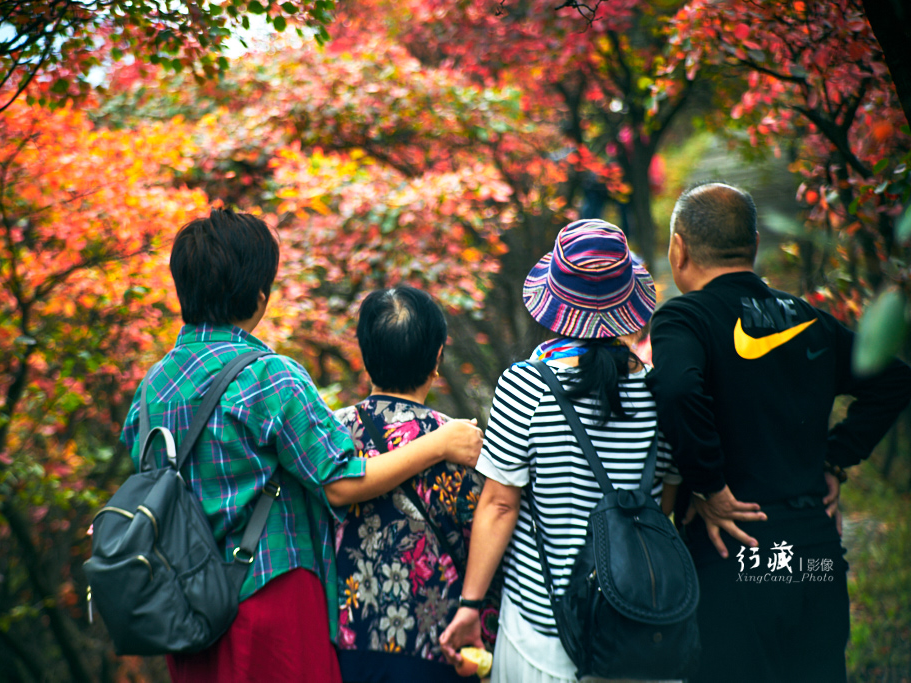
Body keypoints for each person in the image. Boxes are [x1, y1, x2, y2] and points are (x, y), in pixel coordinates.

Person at [120, 208, 483, 683]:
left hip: (188, 609)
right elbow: (342, 482)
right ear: (258, 294)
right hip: (270, 598)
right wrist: (440, 443)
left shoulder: (151, 389)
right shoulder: (269, 376)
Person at [647, 182, 911, 683]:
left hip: (737, 553)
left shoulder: (687, 318)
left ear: (678, 248)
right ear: (752, 246)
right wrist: (836, 457)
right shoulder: (808, 318)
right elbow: (895, 380)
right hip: (814, 552)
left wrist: (710, 485)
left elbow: (677, 391)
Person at [439, 219, 680, 682]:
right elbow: (665, 503)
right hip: (640, 627)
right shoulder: (657, 392)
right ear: (628, 304)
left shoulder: (526, 386)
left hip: (542, 634)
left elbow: (500, 504)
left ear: (556, 304)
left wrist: (471, 604)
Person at [333, 286, 494, 683]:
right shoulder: (460, 442)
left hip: (343, 645)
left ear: (366, 355)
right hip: (436, 645)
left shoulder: (328, 435)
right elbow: (487, 536)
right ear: (437, 357)